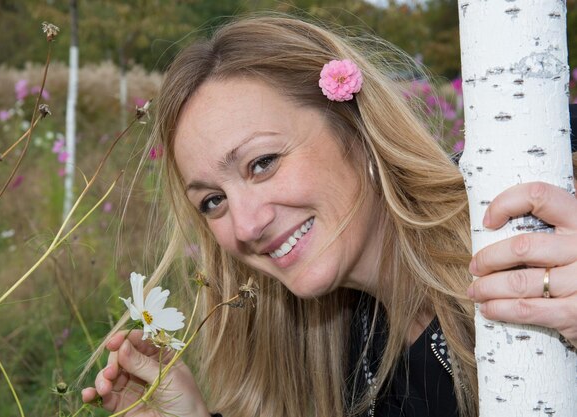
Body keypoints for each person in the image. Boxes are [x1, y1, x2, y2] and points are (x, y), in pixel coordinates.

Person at [81, 15, 577, 417]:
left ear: (354, 130)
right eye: (213, 201)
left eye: (262, 163)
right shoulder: (328, 355)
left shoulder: (548, 186)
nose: (246, 226)